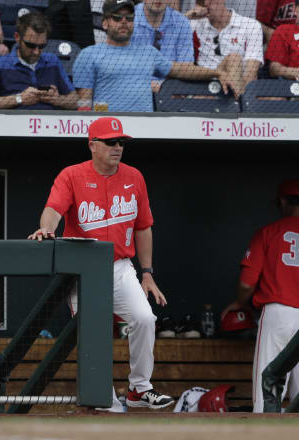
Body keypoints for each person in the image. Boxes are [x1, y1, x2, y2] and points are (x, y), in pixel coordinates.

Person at [28, 117, 173, 412]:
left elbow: (144, 227)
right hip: (83, 268)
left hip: (121, 266)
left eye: (121, 142)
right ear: (92, 145)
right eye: (110, 142)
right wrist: (46, 228)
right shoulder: (71, 175)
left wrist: (147, 273)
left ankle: (139, 389)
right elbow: (53, 210)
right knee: (93, 329)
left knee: (145, 319)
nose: (118, 147)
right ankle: (101, 394)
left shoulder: (135, 176)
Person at [221, 179, 299, 413]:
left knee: (267, 393)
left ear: (281, 201)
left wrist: (240, 302)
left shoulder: (268, 233)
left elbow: (247, 283)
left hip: (277, 315)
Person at [72, 0, 236, 112]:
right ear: (105, 23)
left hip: (146, 125)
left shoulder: (147, 52)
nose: (123, 21)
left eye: (129, 17)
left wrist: (217, 73)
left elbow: (180, 70)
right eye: (117, 17)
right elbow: (84, 104)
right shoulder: (88, 55)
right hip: (107, 126)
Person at [0, 11, 78, 110]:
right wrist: (19, 99)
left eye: (42, 46)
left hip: (49, 124)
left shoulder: (53, 61)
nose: (36, 52)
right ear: (17, 37)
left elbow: (75, 100)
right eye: (31, 45)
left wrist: (57, 100)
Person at [189, 0, 263, 97]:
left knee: (234, 59)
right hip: (205, 86)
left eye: (210, 1)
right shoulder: (193, 24)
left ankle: (238, 105)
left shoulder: (251, 26)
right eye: (201, 2)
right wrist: (188, 16)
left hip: (238, 85)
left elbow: (251, 74)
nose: (206, 4)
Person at [131, 0, 194, 91]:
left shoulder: (182, 23)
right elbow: (123, 74)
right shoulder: (127, 20)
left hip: (171, 94)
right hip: (133, 92)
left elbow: (186, 69)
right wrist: (161, 88)